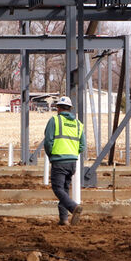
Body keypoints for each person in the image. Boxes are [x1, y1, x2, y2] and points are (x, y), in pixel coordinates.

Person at [43, 96, 86, 226]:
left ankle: (73, 207)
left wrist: (51, 155)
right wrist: (72, 154)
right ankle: (64, 219)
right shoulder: (78, 124)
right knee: (65, 189)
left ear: (59, 108)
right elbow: (82, 145)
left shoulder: (55, 121)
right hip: (72, 162)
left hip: (59, 160)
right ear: (70, 109)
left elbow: (48, 142)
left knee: (57, 188)